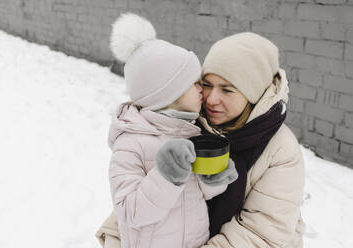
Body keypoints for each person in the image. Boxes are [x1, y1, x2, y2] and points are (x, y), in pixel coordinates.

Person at [96, 30, 305, 248]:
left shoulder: (281, 150)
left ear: (251, 94)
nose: (211, 99)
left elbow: (259, 235)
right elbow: (140, 194)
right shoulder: (188, 125)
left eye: (227, 90)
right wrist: (116, 237)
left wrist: (214, 182)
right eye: (206, 84)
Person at [105, 13, 238, 248]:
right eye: (194, 82)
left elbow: (196, 195)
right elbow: (130, 213)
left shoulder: (190, 132)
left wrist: (214, 179)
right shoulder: (131, 144)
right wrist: (166, 174)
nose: (202, 89)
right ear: (167, 92)